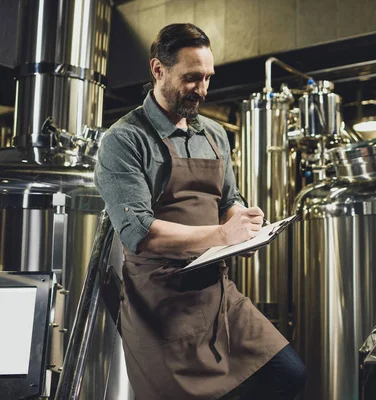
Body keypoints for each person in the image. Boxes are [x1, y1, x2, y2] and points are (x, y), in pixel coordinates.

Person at [94, 23, 306, 400]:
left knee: (288, 373)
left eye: (208, 77)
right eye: (192, 78)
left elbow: (228, 198)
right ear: (158, 69)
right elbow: (139, 231)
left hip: (215, 291)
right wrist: (224, 235)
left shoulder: (214, 133)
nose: (204, 90)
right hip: (158, 301)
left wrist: (245, 223)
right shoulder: (124, 140)